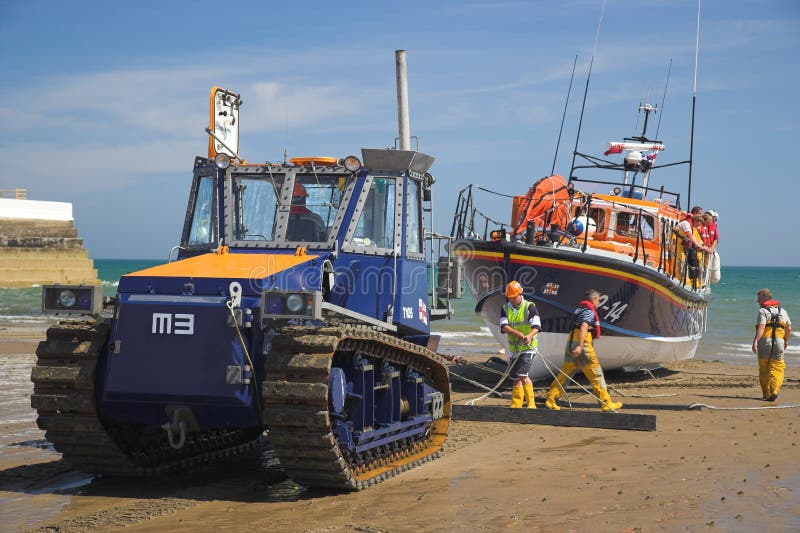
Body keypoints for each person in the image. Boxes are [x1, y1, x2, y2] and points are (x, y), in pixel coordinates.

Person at [544, 289, 623, 412]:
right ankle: (606, 403)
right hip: (583, 344)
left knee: (566, 372)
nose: (599, 303)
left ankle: (551, 399)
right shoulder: (589, 312)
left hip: (571, 341)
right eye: (598, 300)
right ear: (594, 299)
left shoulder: (579, 309)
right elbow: (584, 327)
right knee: (596, 374)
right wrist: (580, 346)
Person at [499, 281, 541, 408]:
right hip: (514, 349)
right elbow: (504, 326)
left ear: (520, 294)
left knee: (523, 375)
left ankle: (531, 404)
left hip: (528, 347)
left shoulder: (530, 307)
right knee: (514, 377)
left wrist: (529, 336)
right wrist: (516, 333)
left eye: (513, 297)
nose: (511, 299)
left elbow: (537, 326)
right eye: (509, 297)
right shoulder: (505, 308)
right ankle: (516, 404)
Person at [752, 289, 792, 401]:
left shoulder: (763, 311)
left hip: (765, 342)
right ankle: (774, 390)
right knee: (777, 368)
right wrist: (786, 340)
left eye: (758, 298)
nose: (757, 301)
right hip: (779, 342)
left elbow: (761, 327)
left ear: (765, 297)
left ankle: (766, 394)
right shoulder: (783, 311)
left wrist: (755, 341)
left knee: (764, 368)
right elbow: (788, 328)